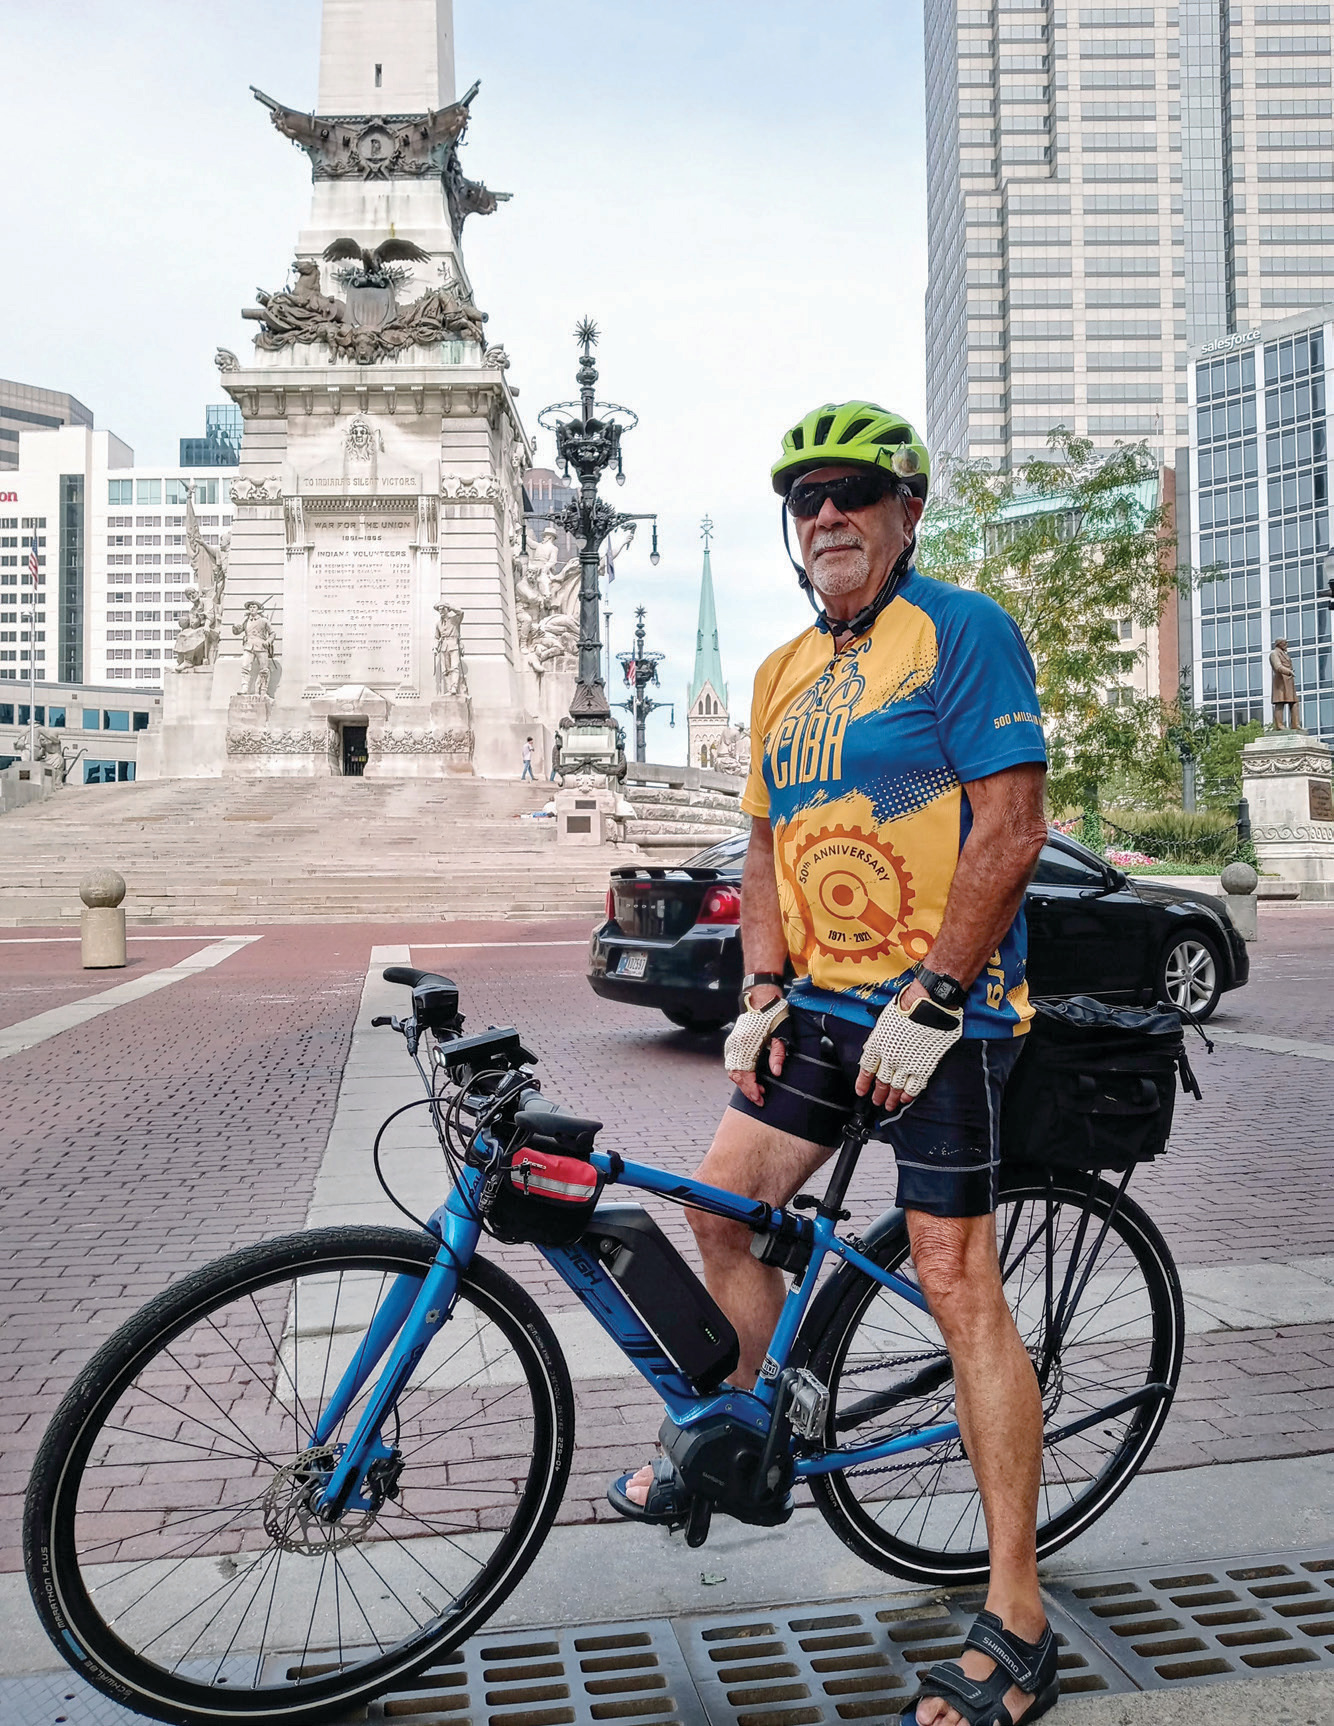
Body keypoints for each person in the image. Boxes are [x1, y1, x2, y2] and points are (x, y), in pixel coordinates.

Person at [608, 403, 1054, 1726]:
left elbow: (1010, 827)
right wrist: (757, 988)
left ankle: (1017, 1615)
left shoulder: (958, 630)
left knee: (951, 1272)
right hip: (817, 1007)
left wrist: (935, 991)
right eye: (804, 498)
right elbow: (759, 842)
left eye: (854, 491)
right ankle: (748, 1433)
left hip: (945, 1018)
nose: (826, 514)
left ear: (905, 511)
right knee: (718, 1205)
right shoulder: (779, 672)